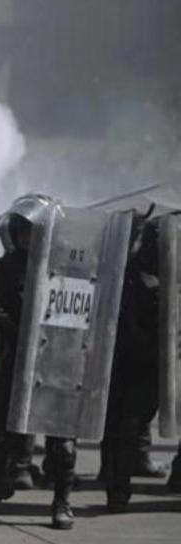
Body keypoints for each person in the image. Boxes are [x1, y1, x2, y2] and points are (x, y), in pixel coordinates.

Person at [0, 197, 77, 529]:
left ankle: (62, 501)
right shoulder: (5, 269)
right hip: (19, 358)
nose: (27, 239)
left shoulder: (68, 267)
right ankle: (0, 482)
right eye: (23, 233)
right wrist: (20, 334)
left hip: (58, 360)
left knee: (62, 440)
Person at [101, 215, 163, 512]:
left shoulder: (169, 277)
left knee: (131, 424)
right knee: (123, 424)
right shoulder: (126, 275)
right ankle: (118, 488)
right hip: (126, 360)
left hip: (152, 363)